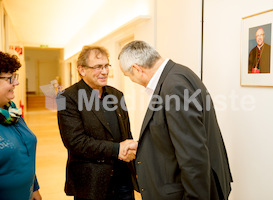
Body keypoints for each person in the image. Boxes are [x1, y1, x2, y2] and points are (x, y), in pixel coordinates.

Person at [118, 40, 233, 200]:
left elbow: (193, 155)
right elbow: (176, 133)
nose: (133, 81)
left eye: (129, 76)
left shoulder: (174, 87)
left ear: (138, 69)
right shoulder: (177, 74)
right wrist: (145, 146)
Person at [57, 46, 138, 200]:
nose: (105, 71)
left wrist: (131, 154)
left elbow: (126, 132)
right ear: (82, 70)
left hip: (122, 180)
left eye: (106, 65)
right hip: (91, 182)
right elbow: (75, 142)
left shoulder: (116, 94)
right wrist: (116, 149)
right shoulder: (66, 98)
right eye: (98, 67)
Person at [0, 51, 42, 200]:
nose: (16, 83)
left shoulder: (12, 113)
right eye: (10, 78)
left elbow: (24, 153)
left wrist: (34, 187)